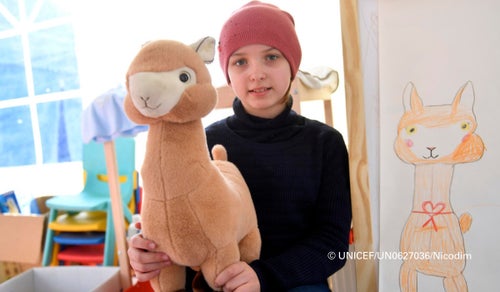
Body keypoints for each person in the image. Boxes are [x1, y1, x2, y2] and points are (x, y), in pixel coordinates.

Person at [127, 1, 352, 291]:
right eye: (240, 61)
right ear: (227, 73)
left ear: (292, 65)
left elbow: (332, 244)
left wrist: (262, 275)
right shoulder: (200, 142)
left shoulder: (325, 143)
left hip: (295, 281)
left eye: (271, 57)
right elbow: (173, 224)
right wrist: (147, 252)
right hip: (216, 282)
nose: (256, 73)